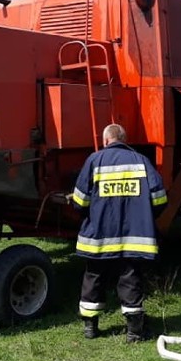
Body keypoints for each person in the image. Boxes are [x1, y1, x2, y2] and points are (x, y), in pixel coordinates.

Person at [71, 123, 167, 342]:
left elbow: (79, 201)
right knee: (130, 279)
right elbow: (160, 199)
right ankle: (134, 332)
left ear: (106, 140)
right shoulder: (141, 161)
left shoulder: (94, 161)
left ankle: (90, 328)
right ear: (125, 140)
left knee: (93, 279)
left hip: (99, 237)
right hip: (133, 238)